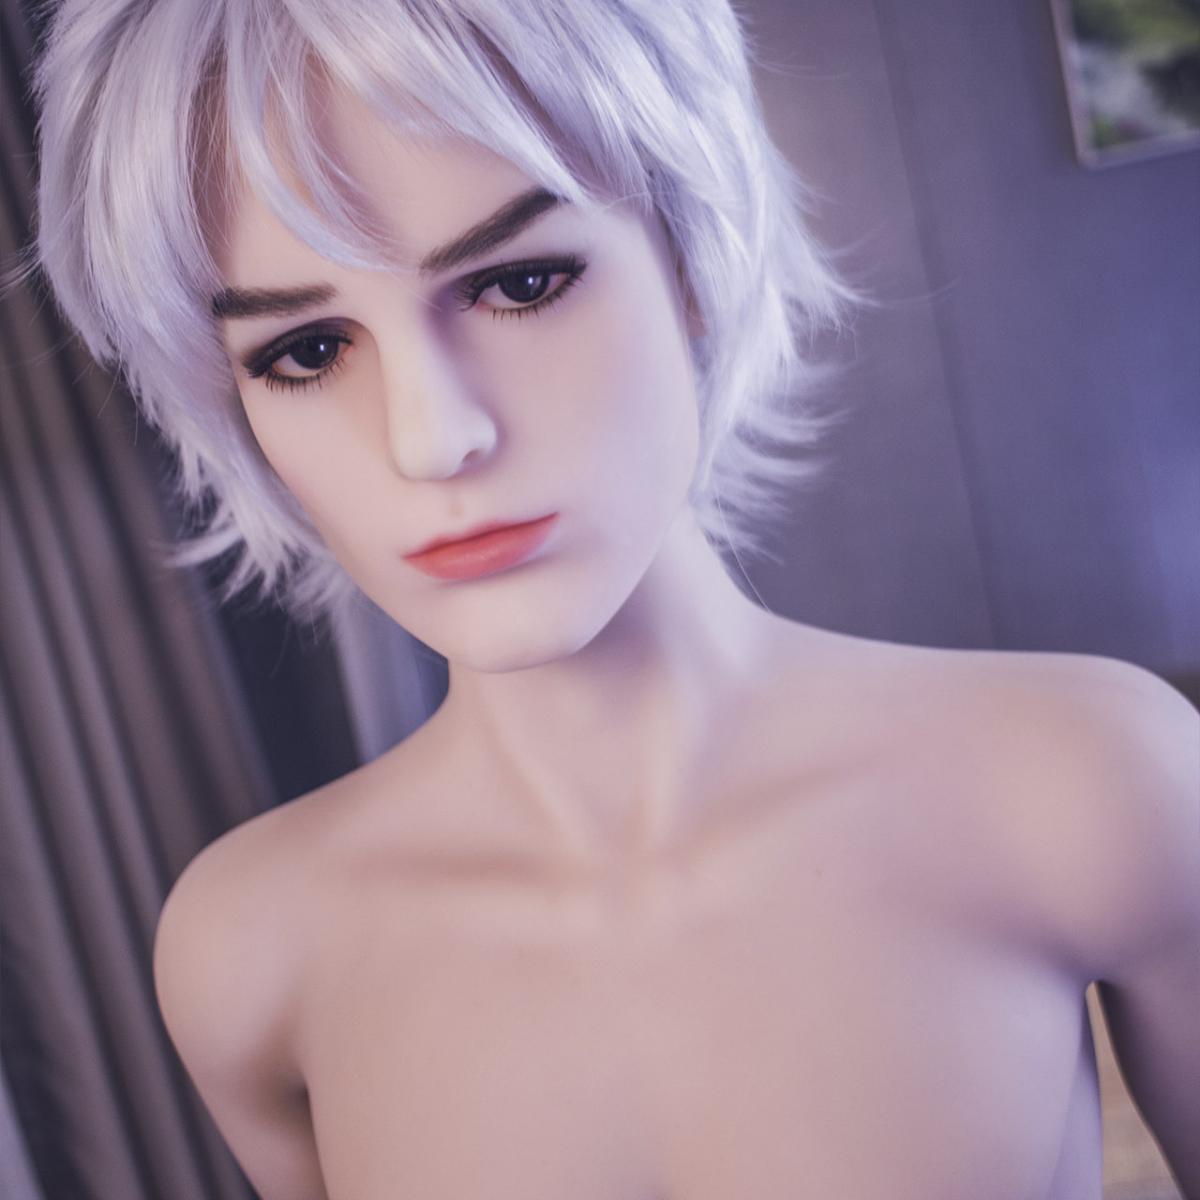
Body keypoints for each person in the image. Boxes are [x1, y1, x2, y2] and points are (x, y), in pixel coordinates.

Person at [16, 1, 1199, 1197]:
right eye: (307, 352)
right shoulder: (249, 955)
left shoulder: (1091, 780)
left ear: (691, 260)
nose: (432, 438)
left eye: (519, 282)